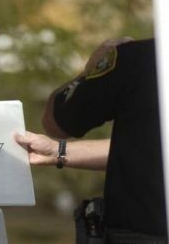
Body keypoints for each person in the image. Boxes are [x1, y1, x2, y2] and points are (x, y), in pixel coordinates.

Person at [34, 38, 166, 242]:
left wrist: (88, 72)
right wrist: (58, 151)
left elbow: (57, 123)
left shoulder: (140, 56)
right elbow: (146, 151)